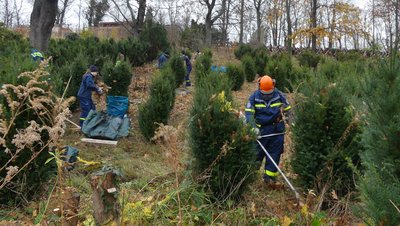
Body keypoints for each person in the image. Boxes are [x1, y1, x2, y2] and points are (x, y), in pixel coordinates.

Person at [244, 75, 291, 184]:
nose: (267, 96)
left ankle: (269, 178)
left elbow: (288, 109)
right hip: (261, 132)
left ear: (273, 86)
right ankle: (250, 176)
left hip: (277, 131)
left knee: (275, 154)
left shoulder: (280, 95)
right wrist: (253, 127)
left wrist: (290, 122)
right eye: (265, 94)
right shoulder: (254, 97)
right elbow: (249, 113)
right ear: (259, 87)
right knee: (256, 154)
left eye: (269, 93)